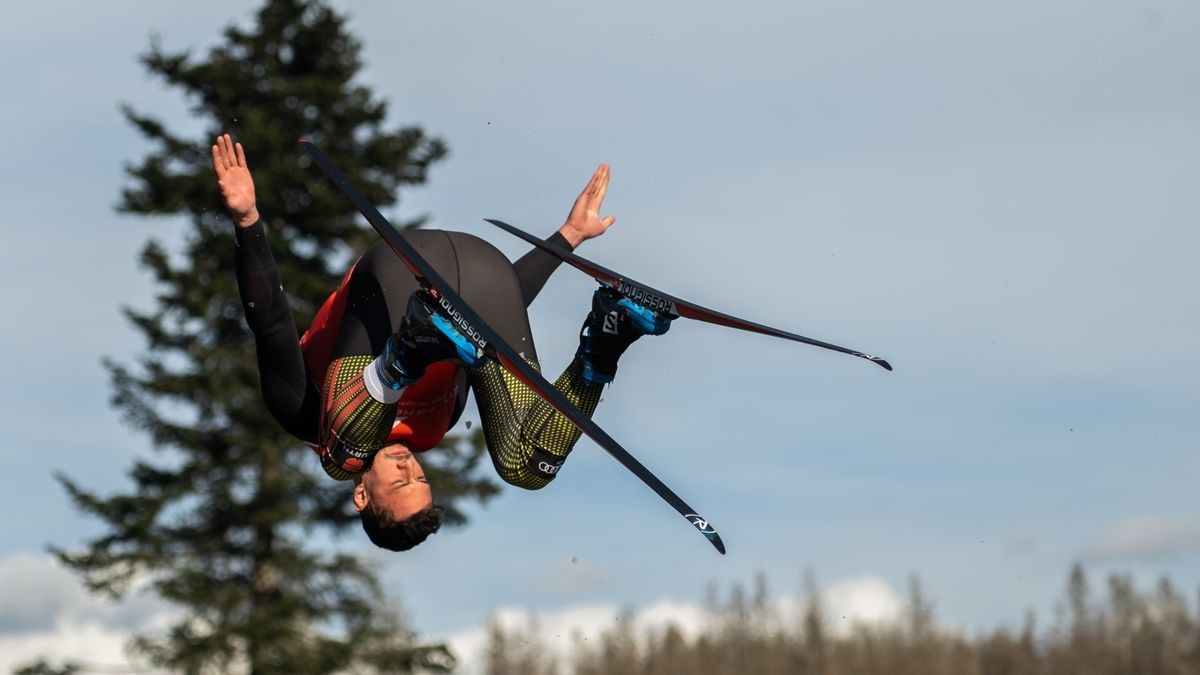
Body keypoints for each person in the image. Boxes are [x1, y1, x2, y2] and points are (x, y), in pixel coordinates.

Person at [211, 134, 671, 551]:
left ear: (362, 497)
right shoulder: (441, 420)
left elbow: (270, 322)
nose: (410, 469)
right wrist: (567, 239)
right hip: (487, 272)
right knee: (523, 469)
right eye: (421, 479)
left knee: (343, 457)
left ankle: (406, 349)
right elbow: (494, 321)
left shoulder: (304, 416)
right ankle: (605, 340)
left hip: (395, 274)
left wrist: (248, 221)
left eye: (400, 484)